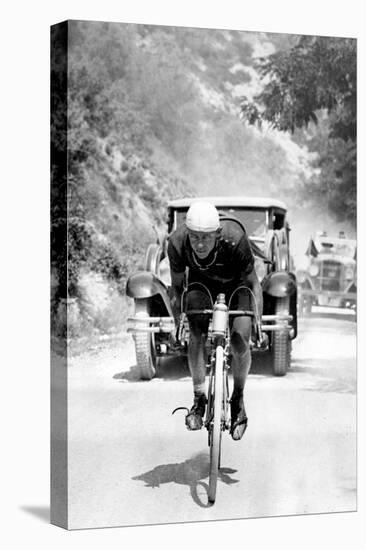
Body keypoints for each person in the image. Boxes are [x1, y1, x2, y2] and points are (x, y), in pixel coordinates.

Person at [168, 201, 263, 440]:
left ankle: (238, 399)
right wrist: (179, 321)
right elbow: (177, 288)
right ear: (187, 233)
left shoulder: (235, 238)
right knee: (196, 332)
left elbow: (253, 283)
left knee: (241, 339)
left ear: (218, 235)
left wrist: (258, 322)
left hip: (237, 285)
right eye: (194, 237)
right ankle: (199, 399)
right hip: (201, 284)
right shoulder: (177, 243)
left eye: (206, 238)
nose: (199, 244)